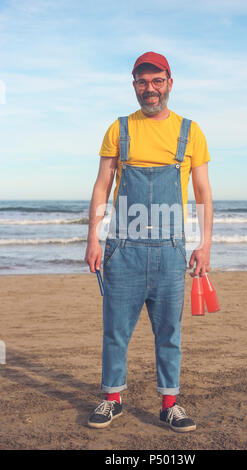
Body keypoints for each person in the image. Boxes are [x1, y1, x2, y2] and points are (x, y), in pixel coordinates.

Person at [84, 51, 213, 433]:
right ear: (134, 84)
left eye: (157, 80)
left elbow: (203, 192)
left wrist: (204, 244)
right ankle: (112, 399)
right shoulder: (118, 129)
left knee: (169, 331)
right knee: (115, 329)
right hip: (123, 248)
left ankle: (169, 403)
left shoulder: (190, 131)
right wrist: (93, 235)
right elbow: (102, 186)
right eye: (142, 81)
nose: (150, 88)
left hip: (172, 251)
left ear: (170, 83)